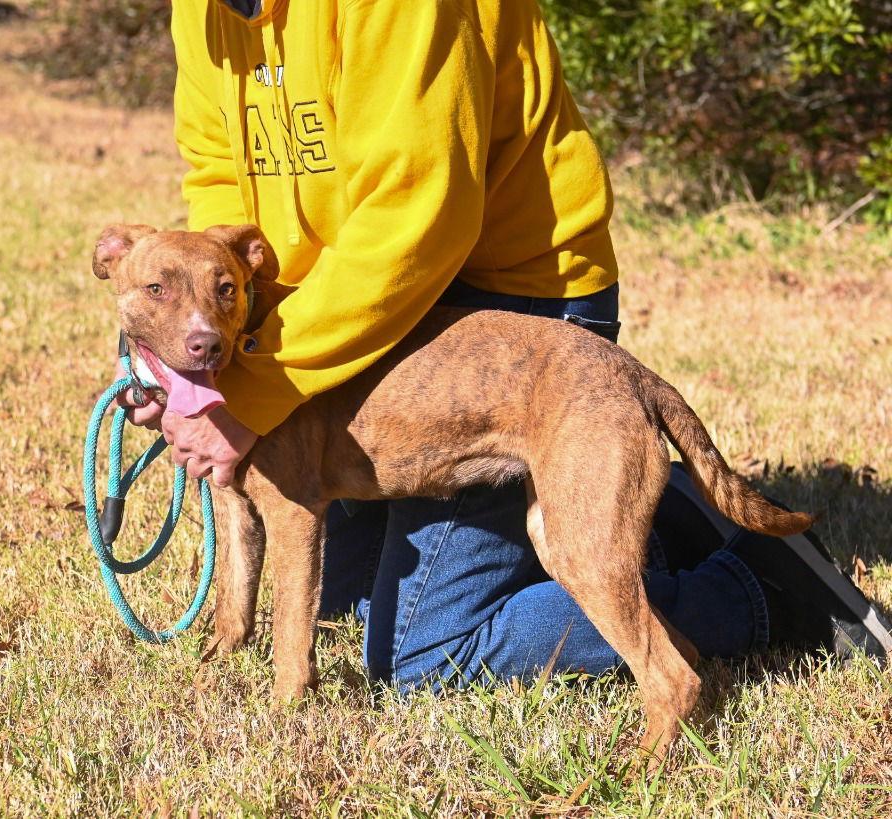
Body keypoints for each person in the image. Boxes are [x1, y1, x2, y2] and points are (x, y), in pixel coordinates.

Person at [120, 0, 891, 692]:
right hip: (359, 309)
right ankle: (640, 499)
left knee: (424, 648)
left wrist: (256, 389)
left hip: (514, 297)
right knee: (335, 597)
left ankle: (757, 591)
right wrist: (228, 330)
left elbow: (418, 222)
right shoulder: (204, 9)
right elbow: (221, 179)